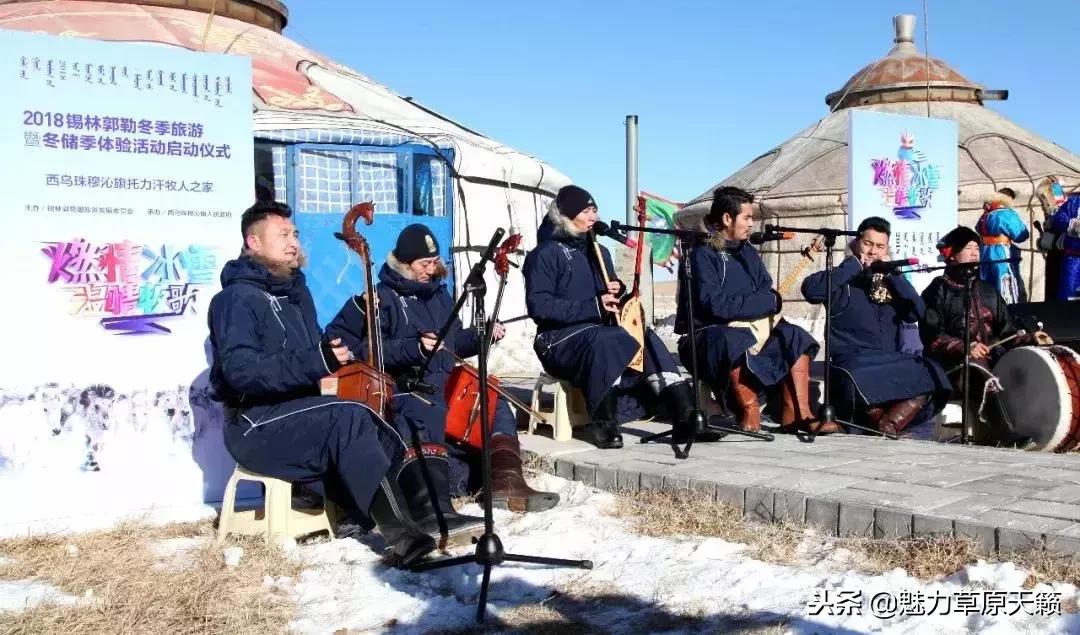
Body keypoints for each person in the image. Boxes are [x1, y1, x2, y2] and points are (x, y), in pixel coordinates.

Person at [207, 201, 436, 567]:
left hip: (298, 411)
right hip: (255, 423)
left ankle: (403, 512)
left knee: (378, 412)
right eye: (282, 235)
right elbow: (241, 371)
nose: (293, 242)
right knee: (349, 418)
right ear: (253, 242)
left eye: (294, 234)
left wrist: (332, 354)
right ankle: (403, 537)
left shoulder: (296, 293)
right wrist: (318, 360)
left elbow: (315, 351)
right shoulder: (234, 299)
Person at [325, 224, 560, 514]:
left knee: (493, 400)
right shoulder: (381, 298)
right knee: (436, 427)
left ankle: (506, 482)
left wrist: (480, 335)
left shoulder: (439, 295)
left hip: (448, 383)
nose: (431, 270)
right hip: (411, 389)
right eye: (424, 264)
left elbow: (453, 342)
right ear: (404, 263)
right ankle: (437, 494)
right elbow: (365, 352)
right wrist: (415, 347)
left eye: (435, 263)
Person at [522, 185, 698, 448]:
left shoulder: (599, 252)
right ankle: (604, 422)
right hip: (558, 340)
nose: (594, 216)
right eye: (586, 210)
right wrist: (595, 305)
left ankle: (683, 412)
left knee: (643, 335)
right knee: (607, 337)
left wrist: (619, 290)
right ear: (566, 216)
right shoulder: (545, 254)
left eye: (595, 209)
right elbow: (540, 306)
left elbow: (609, 300)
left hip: (598, 334)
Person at [674, 186, 834, 434]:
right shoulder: (701, 254)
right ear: (727, 218)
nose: (752, 225)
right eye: (747, 218)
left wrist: (758, 302)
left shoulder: (747, 251)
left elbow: (767, 292)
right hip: (706, 338)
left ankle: (798, 413)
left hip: (751, 331)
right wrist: (761, 302)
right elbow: (715, 305)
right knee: (731, 338)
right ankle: (749, 409)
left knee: (795, 336)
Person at [801, 216, 951, 436]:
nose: (873, 252)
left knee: (932, 371)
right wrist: (852, 265)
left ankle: (887, 425)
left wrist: (895, 276)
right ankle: (884, 423)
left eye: (880, 247)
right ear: (856, 244)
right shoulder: (842, 280)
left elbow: (918, 313)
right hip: (853, 362)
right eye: (868, 244)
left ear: (887, 249)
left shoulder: (891, 282)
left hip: (890, 360)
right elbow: (811, 290)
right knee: (859, 378)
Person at [919, 226, 1052, 445]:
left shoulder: (988, 290)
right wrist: (965, 347)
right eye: (968, 248)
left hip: (989, 361)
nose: (974, 253)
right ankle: (1007, 435)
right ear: (951, 254)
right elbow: (932, 337)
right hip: (953, 367)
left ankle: (1038, 426)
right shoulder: (937, 291)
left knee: (1026, 362)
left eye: (976, 248)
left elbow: (1007, 333)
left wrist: (1030, 338)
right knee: (977, 365)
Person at [976, 189, 1029, 304]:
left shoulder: (986, 213)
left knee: (987, 284)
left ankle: (988, 313)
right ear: (1008, 198)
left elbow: (978, 229)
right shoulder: (1005, 213)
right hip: (1001, 253)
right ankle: (1008, 314)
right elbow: (1020, 234)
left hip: (985, 252)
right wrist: (1025, 227)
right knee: (1005, 283)